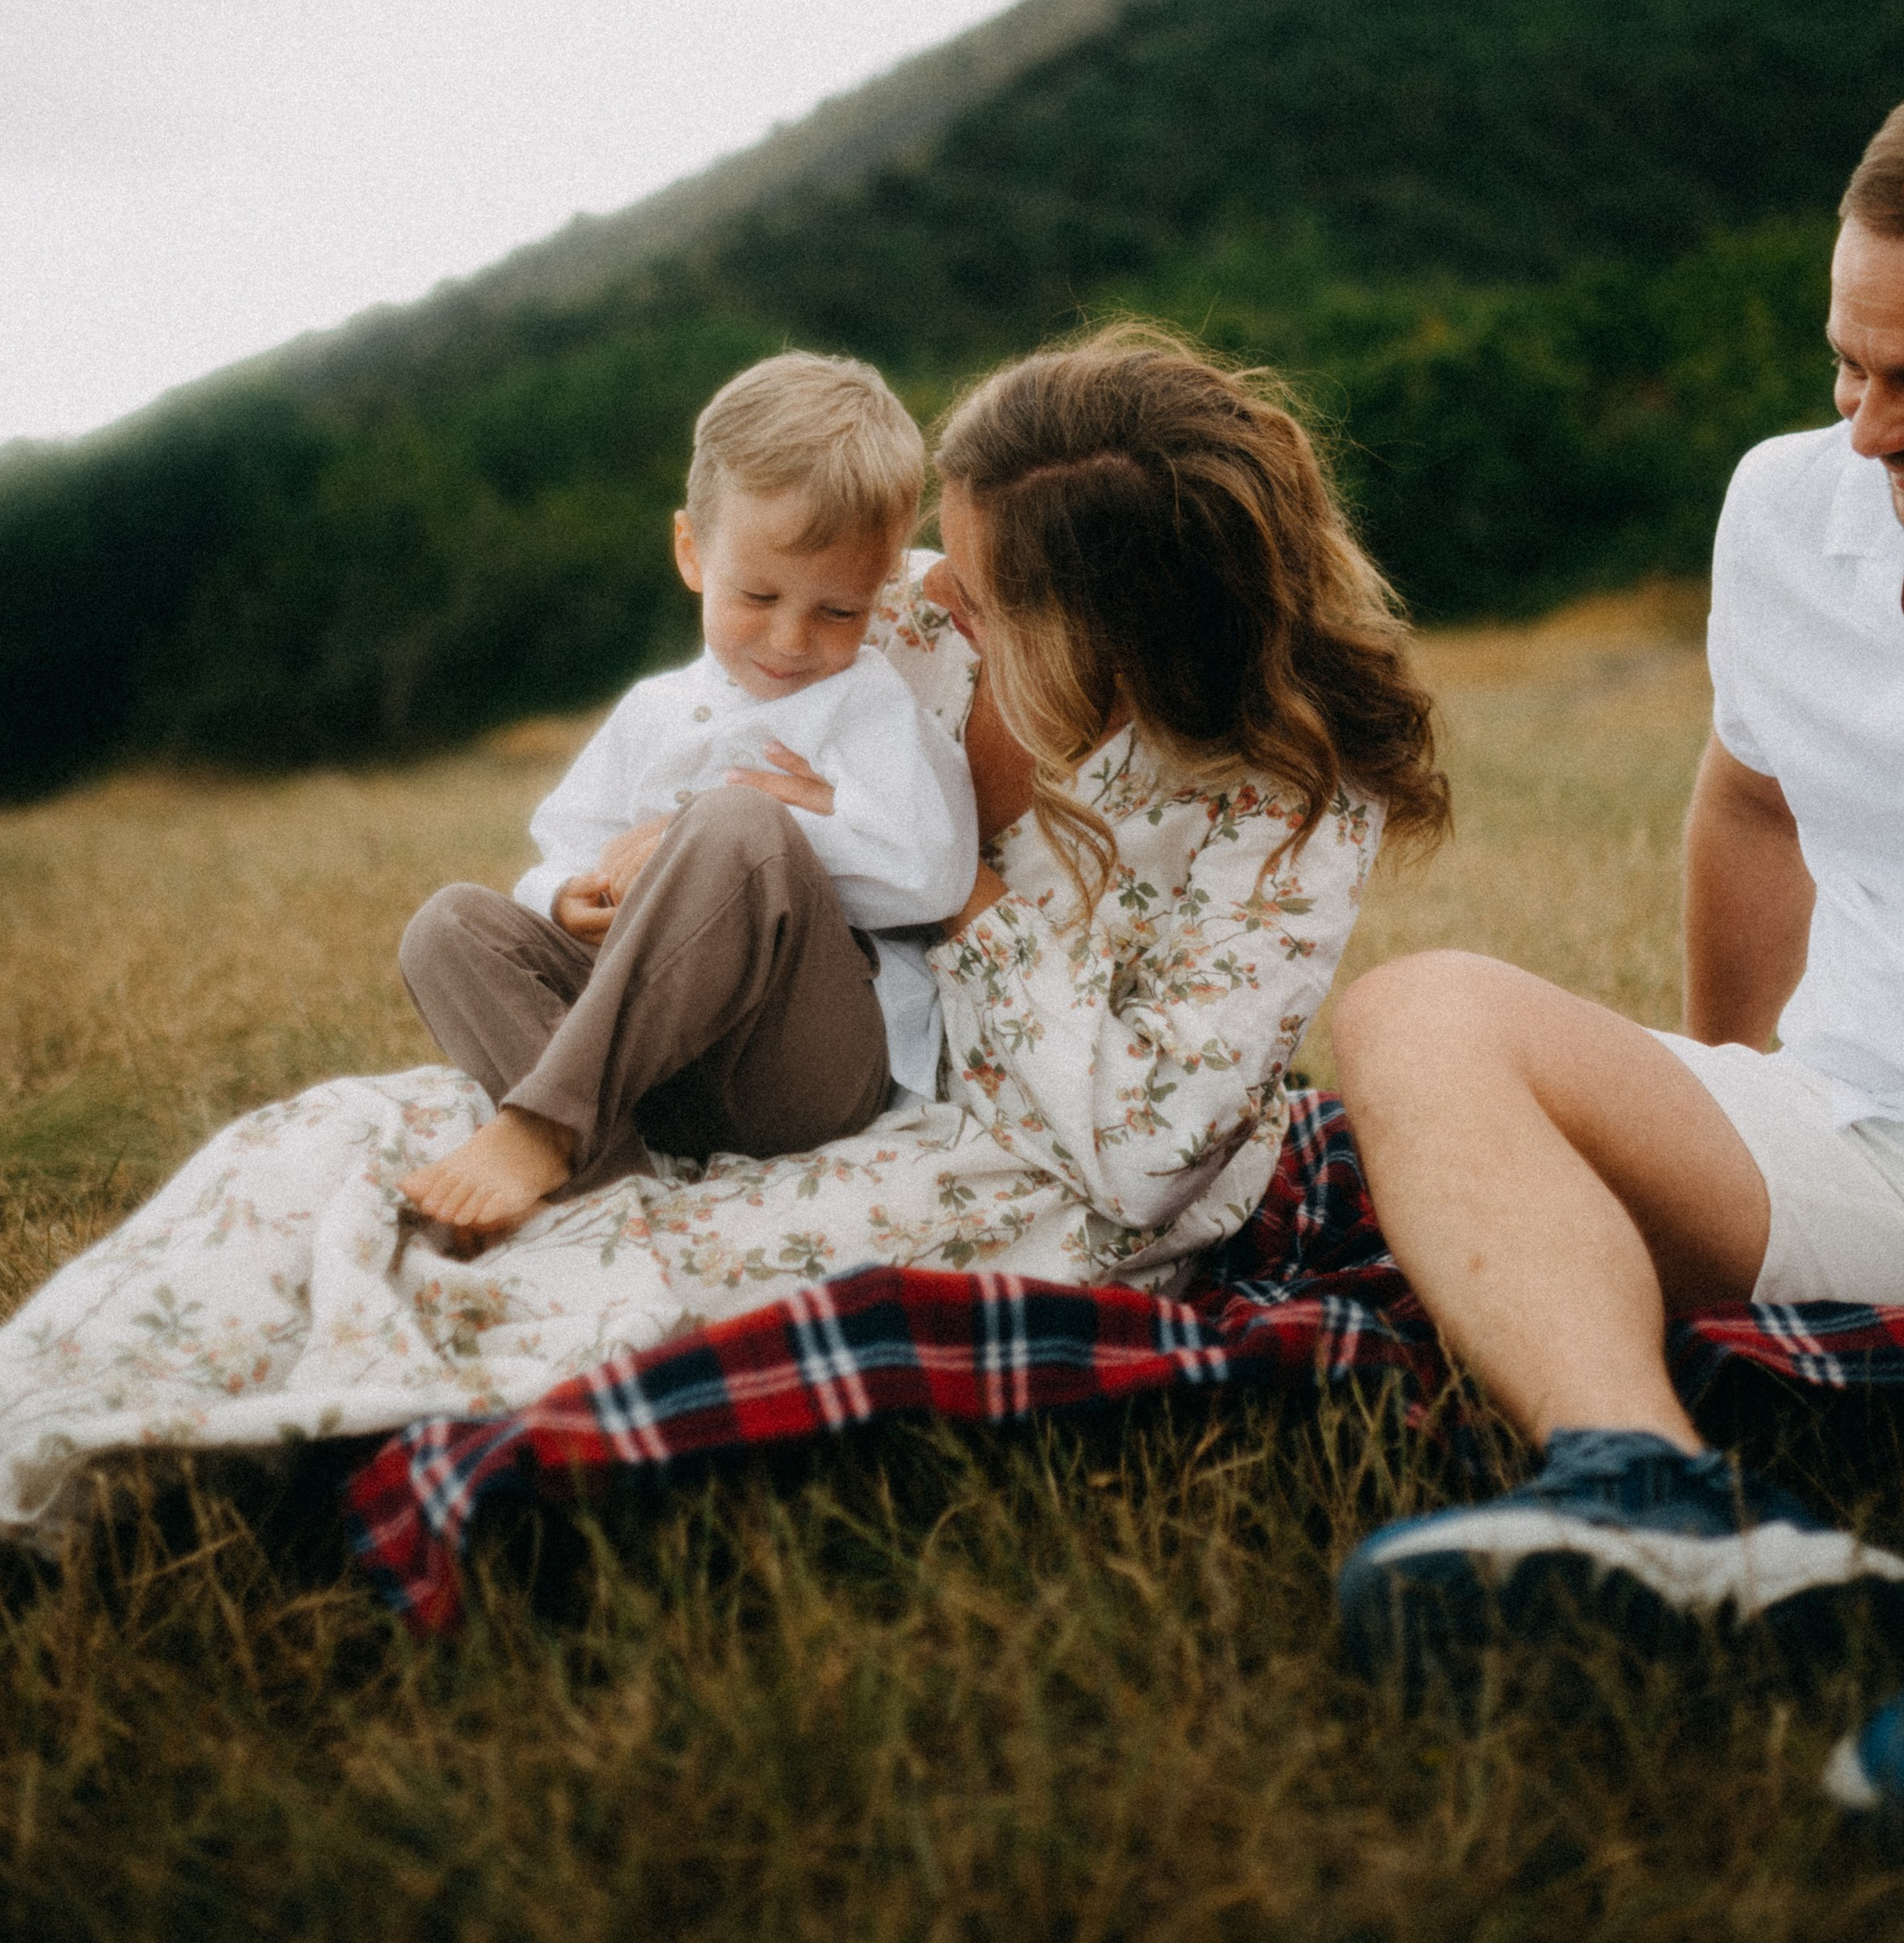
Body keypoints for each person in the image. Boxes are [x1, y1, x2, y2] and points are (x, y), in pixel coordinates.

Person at [0, 325, 1444, 1536]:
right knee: (336, 1149)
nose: (927, 594)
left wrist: (978, 910)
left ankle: (250, 1443)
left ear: (1115, 634)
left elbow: (1144, 1160)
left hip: (1026, 1170)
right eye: (935, 559)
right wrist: (630, 869)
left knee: (572, 1275)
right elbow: (734, 707)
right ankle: (57, 1414)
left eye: (983, 585)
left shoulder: (1287, 805)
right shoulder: (907, 617)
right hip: (763, 1035)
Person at [1335, 78, 1904, 1871]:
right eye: (1846, 366)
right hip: (1854, 1132)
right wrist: (1718, 1102)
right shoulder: (1780, 503)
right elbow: (1746, 799)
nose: (1871, 428)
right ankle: (1646, 1491)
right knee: (1416, 1009)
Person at [398, 352, 978, 1242]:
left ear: (884, 586)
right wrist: (562, 895)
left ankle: (548, 1123)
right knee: (446, 925)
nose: (792, 640)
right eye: (759, 594)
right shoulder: (652, 710)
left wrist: (772, 824)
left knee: (738, 822)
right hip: (664, 1074)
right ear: (691, 551)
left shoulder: (870, 705)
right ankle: (614, 1174)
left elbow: (933, 876)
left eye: (839, 611)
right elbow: (566, 842)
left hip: (801, 1063)